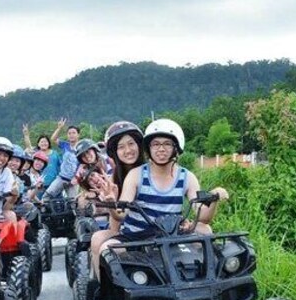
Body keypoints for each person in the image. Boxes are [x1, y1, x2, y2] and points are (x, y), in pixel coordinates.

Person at [93, 118, 229, 281]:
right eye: (155, 144)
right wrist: (111, 204)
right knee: (106, 248)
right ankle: (106, 297)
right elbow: (122, 214)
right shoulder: (136, 174)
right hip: (138, 235)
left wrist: (214, 198)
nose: (161, 149)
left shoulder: (187, 177)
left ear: (176, 148)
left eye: (167, 144)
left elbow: (203, 216)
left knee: (205, 231)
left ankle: (207, 282)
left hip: (171, 233)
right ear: (148, 148)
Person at [88, 121, 146, 273]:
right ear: (114, 153)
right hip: (127, 229)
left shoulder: (152, 171)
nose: (128, 150)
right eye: (121, 147)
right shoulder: (114, 179)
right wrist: (110, 202)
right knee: (97, 239)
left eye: (131, 144)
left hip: (157, 228)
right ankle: (102, 288)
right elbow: (115, 223)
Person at [42, 119, 80, 199]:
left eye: (73, 133)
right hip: (61, 177)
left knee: (73, 202)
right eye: (69, 133)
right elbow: (53, 139)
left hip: (73, 180)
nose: (71, 135)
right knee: (47, 195)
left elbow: (82, 165)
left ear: (78, 135)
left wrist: (76, 178)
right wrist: (59, 128)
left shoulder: (81, 148)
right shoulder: (65, 145)